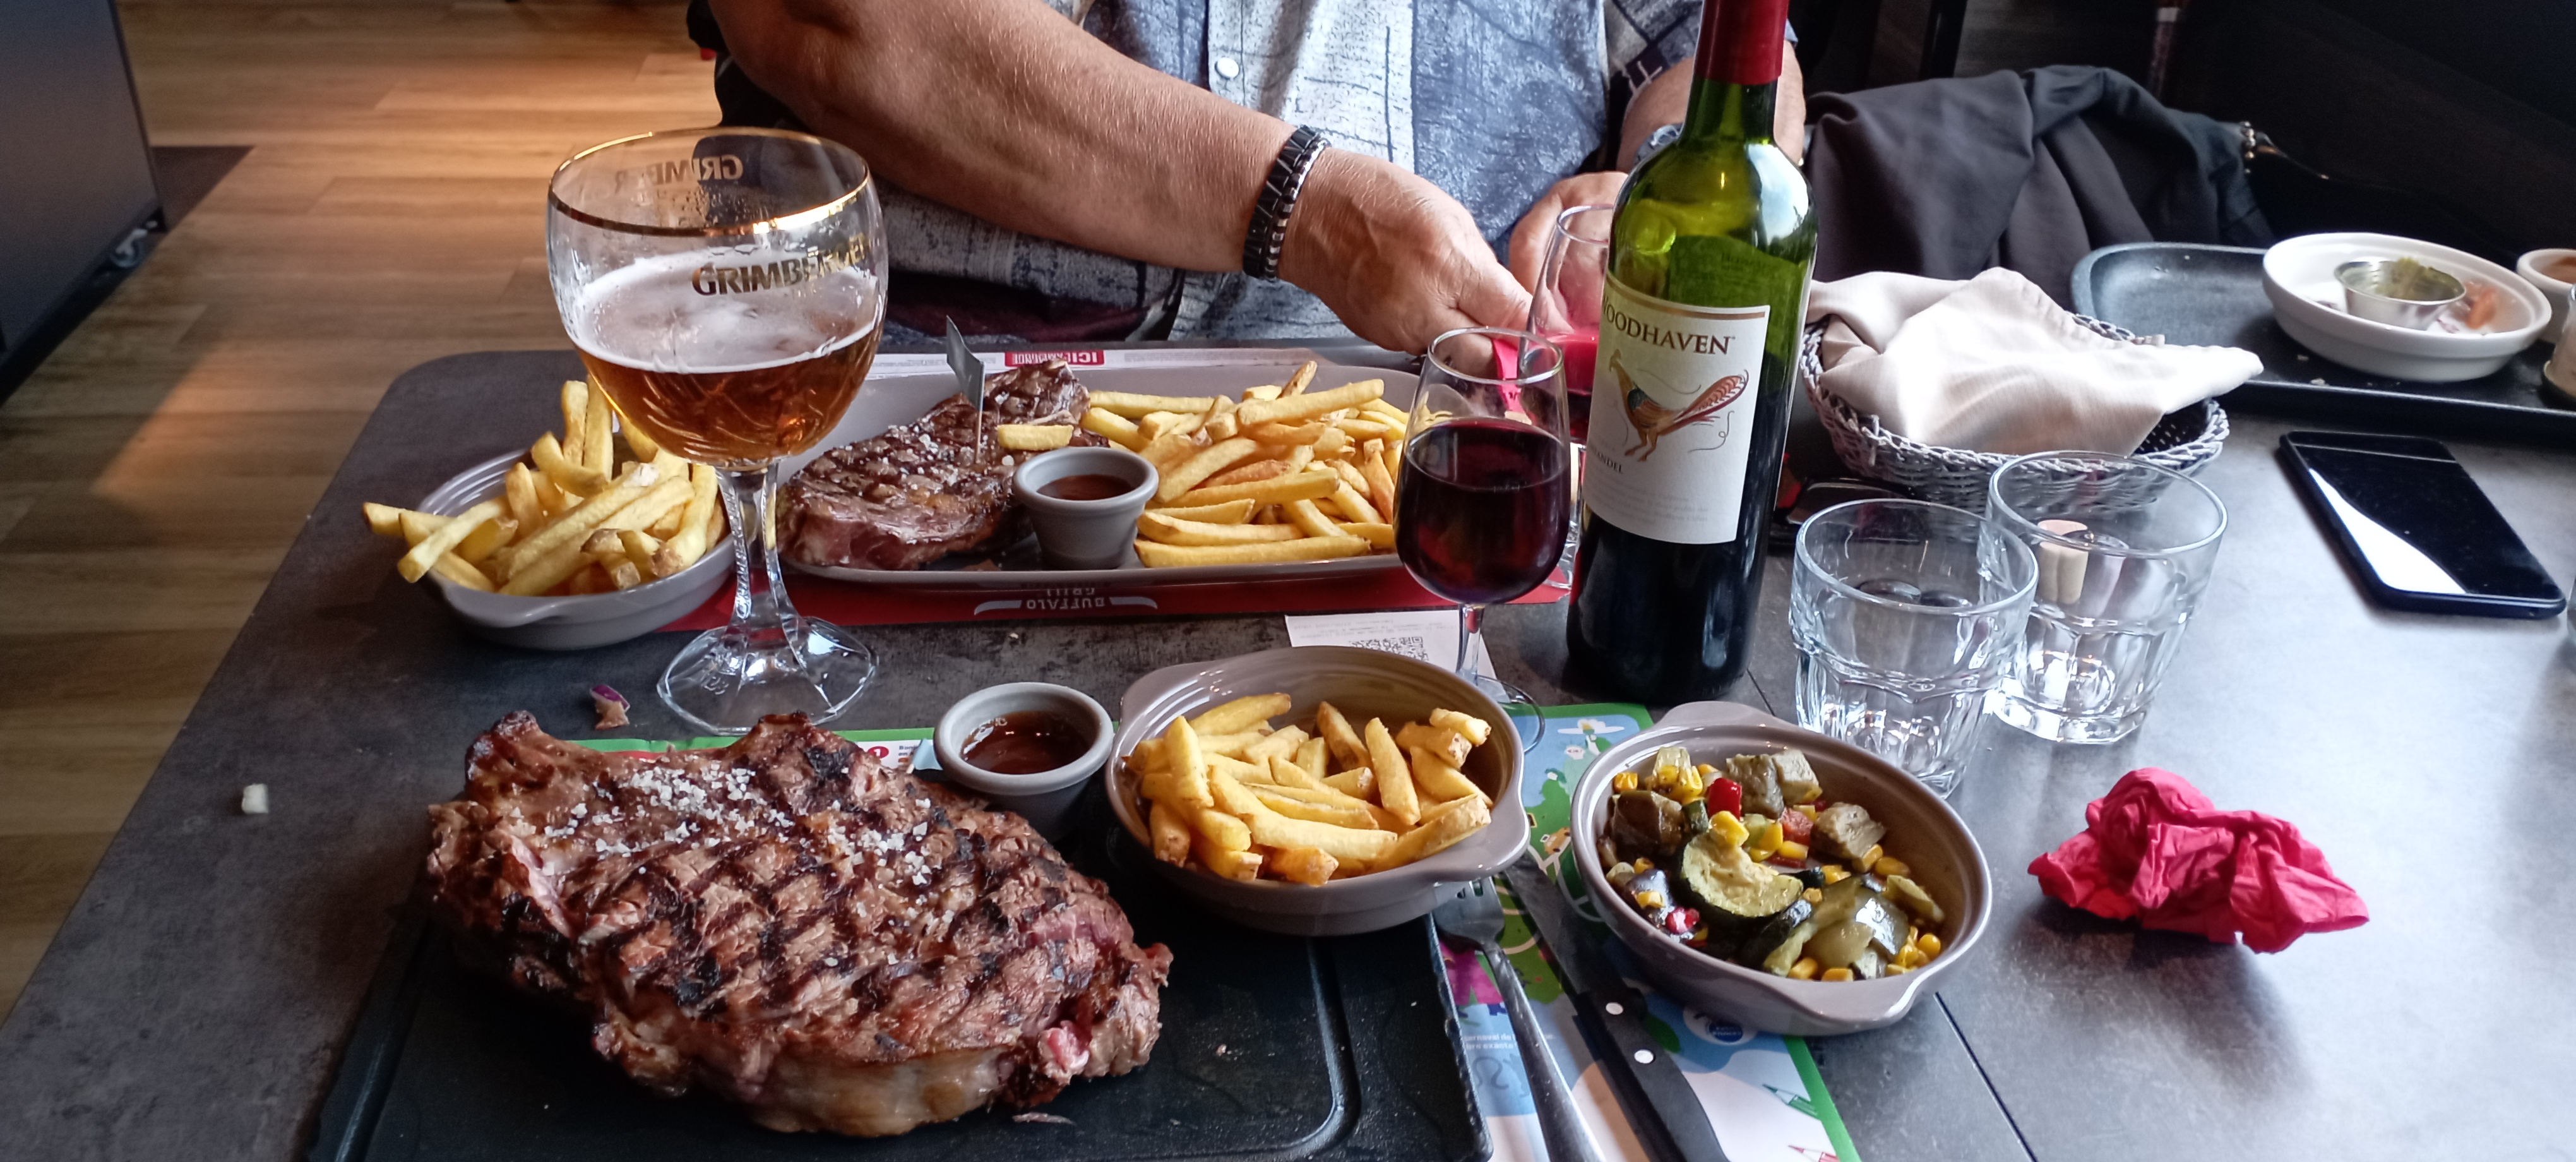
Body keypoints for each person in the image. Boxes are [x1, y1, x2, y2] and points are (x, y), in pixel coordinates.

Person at [689, 0, 1803, 352]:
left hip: (1489, 431)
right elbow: (832, 20)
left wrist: (1660, 176)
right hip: (937, 390)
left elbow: (1726, 38)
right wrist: (1308, 215)